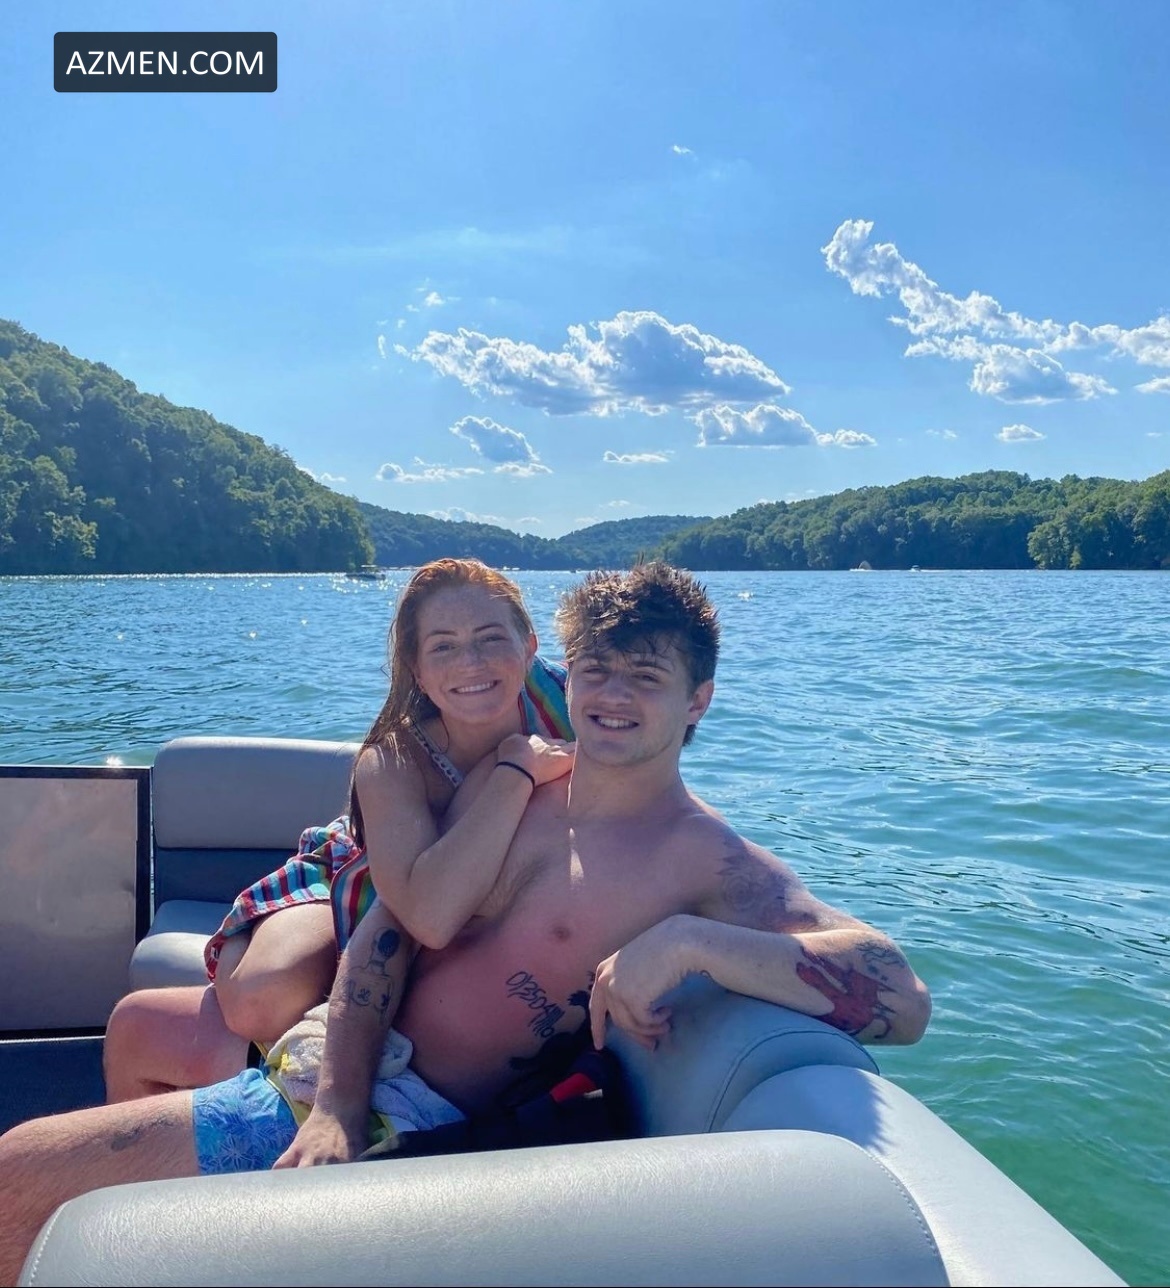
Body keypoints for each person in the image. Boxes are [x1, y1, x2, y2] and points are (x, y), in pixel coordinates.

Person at [0, 563, 931, 1281]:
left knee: (19, 1175)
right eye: (597, 669)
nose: (611, 695)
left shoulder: (708, 860)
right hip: (338, 1078)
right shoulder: (518, 788)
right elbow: (385, 938)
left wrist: (687, 943)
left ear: (698, 700)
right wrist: (337, 1106)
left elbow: (902, 996)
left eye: (646, 677)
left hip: (419, 1121)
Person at [102, 557, 574, 1100]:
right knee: (258, 1000)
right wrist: (515, 770)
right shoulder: (395, 758)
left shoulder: (574, 703)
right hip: (353, 871)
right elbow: (428, 917)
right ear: (417, 670)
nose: (471, 662)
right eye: (443, 646)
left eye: (491, 638)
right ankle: (248, 980)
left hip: (456, 893)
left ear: (530, 646)